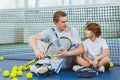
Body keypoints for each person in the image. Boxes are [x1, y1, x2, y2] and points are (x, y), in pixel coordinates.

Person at [28, 10, 84, 75]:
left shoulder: (72, 31)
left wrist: (67, 53)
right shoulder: (50, 31)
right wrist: (37, 50)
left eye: (66, 21)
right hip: (54, 58)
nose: (66, 23)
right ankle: (44, 65)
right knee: (37, 41)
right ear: (55, 22)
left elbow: (81, 49)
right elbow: (31, 38)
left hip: (67, 60)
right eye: (63, 22)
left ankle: (46, 67)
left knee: (65, 44)